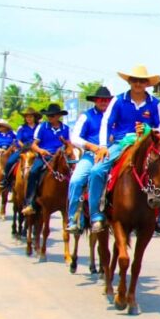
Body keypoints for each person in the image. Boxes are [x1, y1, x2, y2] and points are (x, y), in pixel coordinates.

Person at [88, 65, 160, 233]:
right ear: (129, 82)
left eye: (142, 81)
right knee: (96, 171)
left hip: (147, 145)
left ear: (147, 84)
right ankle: (96, 216)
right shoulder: (118, 100)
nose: (138, 83)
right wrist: (102, 146)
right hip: (121, 143)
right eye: (135, 80)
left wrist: (146, 129)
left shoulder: (155, 104)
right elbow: (106, 123)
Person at [66, 86, 113, 234]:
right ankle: (74, 219)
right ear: (95, 101)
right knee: (76, 180)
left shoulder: (114, 117)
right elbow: (74, 138)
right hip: (91, 156)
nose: (103, 103)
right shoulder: (86, 116)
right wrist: (91, 146)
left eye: (106, 100)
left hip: (112, 155)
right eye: (100, 100)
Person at [22, 104, 71, 215]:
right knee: (33, 172)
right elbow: (34, 145)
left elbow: (70, 145)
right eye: (48, 116)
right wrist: (40, 151)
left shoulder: (66, 129)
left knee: (74, 173)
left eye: (52, 115)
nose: (50, 118)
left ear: (58, 116)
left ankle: (76, 203)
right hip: (45, 157)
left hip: (61, 158)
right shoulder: (42, 127)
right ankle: (30, 202)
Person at [2, 108, 41, 191]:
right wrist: (24, 147)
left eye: (30, 117)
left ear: (34, 117)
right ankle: (6, 180)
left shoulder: (39, 127)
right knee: (10, 161)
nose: (28, 119)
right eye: (27, 117)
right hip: (23, 148)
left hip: (35, 149)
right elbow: (18, 140)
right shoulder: (22, 128)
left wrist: (35, 148)